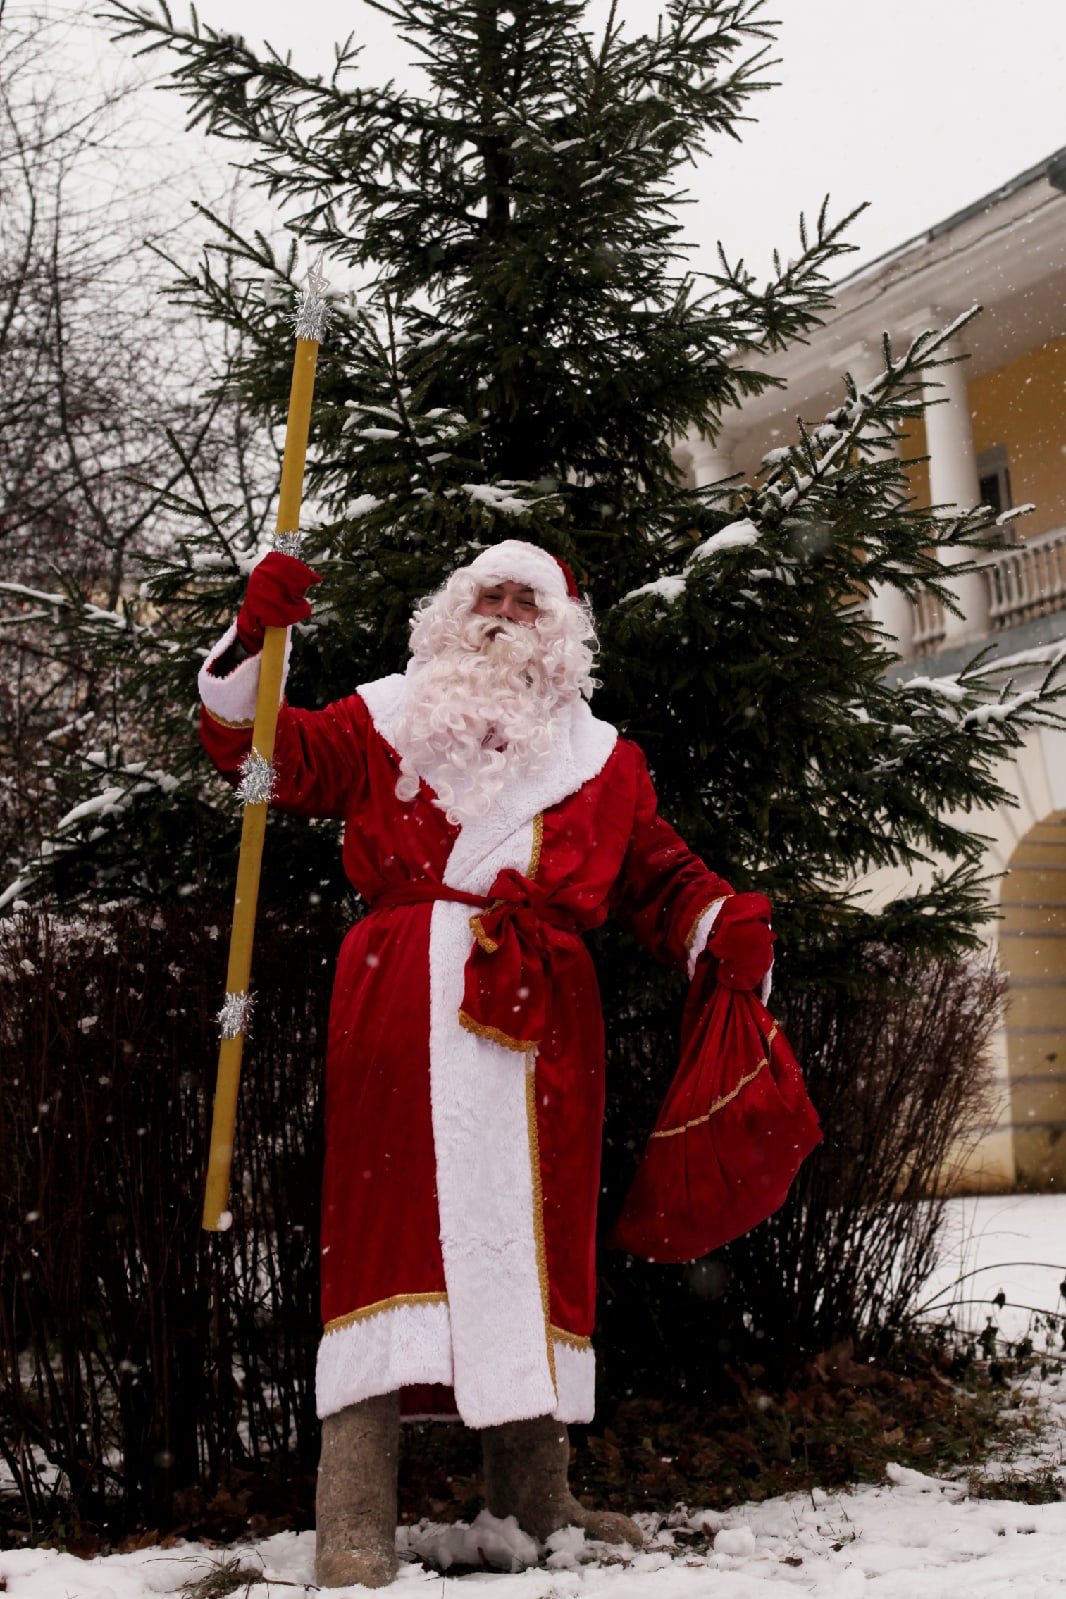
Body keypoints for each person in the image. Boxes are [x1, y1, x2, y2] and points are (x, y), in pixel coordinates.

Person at [199, 538, 772, 1588]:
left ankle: (536, 1501)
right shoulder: (383, 715)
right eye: (488, 592)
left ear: (564, 626)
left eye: (528, 596)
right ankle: (354, 1518)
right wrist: (254, 639)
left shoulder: (603, 758)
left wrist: (716, 921)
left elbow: (655, 875)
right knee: (387, 1236)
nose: (506, 609)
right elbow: (258, 758)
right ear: (451, 611)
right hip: (401, 1000)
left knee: (534, 1234)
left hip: (543, 1020)